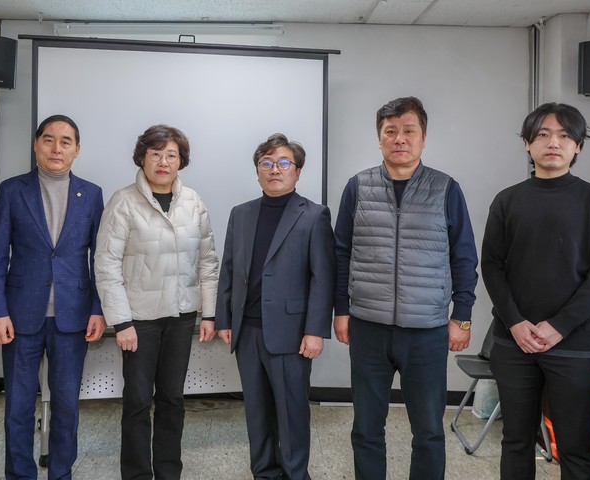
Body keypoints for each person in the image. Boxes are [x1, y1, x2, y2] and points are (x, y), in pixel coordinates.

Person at [333, 96, 478, 480]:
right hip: (368, 326)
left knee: (428, 430)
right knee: (366, 428)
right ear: (379, 138)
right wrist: (341, 310)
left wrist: (462, 316)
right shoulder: (358, 187)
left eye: (409, 131)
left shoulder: (446, 189)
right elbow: (341, 252)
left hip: (426, 331)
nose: (400, 139)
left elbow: (464, 256)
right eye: (391, 131)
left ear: (423, 138)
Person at [481, 103, 590, 480]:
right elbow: (492, 266)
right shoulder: (507, 200)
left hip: (575, 343)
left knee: (575, 445)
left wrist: (560, 325)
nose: (553, 143)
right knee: (516, 441)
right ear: (528, 144)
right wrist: (515, 323)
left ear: (578, 146)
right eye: (543, 135)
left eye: (564, 135)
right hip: (515, 343)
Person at [94, 124, 219, 480]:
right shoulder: (123, 201)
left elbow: (208, 260)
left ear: (181, 161)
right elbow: (106, 263)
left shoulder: (193, 202)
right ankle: (136, 474)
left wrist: (209, 313)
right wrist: (122, 322)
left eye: (171, 155)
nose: (163, 162)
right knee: (137, 401)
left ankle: (168, 472)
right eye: (156, 154)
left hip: (182, 317)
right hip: (139, 320)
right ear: (142, 157)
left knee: (172, 399)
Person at [0, 114, 106, 480]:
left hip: (73, 316)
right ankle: (20, 475)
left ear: (77, 150)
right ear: (36, 144)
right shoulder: (11, 190)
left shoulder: (92, 194)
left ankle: (60, 473)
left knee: (66, 406)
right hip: (19, 316)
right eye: (49, 139)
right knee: (18, 407)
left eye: (65, 141)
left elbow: (99, 259)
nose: (56, 148)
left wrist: (98, 309)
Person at [215, 133, 335, 480]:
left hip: (291, 333)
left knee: (291, 412)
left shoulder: (314, 215)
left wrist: (315, 331)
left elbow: (323, 278)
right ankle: (265, 473)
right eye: (266, 163)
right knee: (256, 412)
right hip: (247, 331)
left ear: (297, 171)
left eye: (283, 163)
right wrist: (225, 317)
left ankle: (295, 474)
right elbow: (229, 269)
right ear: (258, 171)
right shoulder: (241, 214)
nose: (274, 169)